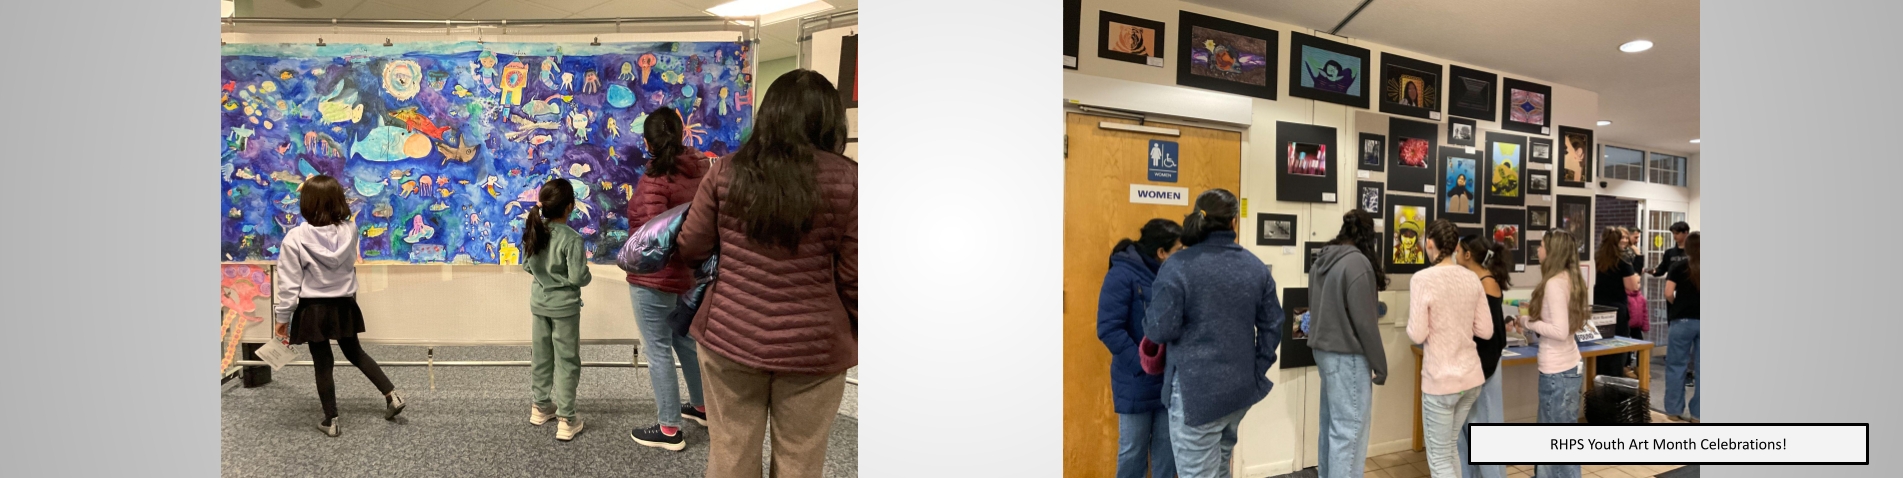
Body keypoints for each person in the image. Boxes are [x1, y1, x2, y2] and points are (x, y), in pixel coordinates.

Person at [677, 69, 857, 478]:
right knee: (800, 461)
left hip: (730, 335)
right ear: (830, 120)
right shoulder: (851, 179)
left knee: (731, 454)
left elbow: (691, 245)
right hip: (814, 347)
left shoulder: (725, 170)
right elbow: (856, 277)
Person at [1143, 188, 1281, 478]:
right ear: (1234, 222)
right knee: (1219, 469)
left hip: (1196, 396)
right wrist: (1257, 370)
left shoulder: (1177, 266)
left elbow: (1160, 329)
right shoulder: (1255, 267)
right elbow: (1273, 324)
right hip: (1238, 393)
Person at [273, 175, 405, 437]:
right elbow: (334, 208)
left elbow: (288, 284)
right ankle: (392, 395)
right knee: (355, 352)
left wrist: (282, 318)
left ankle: (331, 420)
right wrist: (319, 188)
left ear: (305, 202)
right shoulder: (350, 231)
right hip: (344, 304)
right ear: (339, 200)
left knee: (323, 362)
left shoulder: (295, 238)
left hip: (313, 309)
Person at [622, 106, 712, 451]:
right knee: (684, 341)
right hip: (688, 276)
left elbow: (650, 241)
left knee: (657, 348)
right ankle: (702, 407)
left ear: (648, 143)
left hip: (655, 279)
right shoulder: (701, 170)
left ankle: (669, 429)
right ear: (681, 134)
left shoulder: (655, 179)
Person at [1406, 219, 1494, 478]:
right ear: (1456, 246)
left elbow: (1417, 333)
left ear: (1429, 243)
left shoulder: (1422, 279)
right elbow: (1485, 331)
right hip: (1470, 379)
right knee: (1450, 451)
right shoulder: (1472, 278)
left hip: (1441, 383)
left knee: (1440, 460)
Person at [1097, 219, 1184, 478]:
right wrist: (1142, 364)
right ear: (1161, 252)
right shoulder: (1122, 274)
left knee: (1167, 455)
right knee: (1133, 454)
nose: (1183, 255)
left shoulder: (1174, 276)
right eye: (1178, 250)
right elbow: (1108, 329)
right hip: (1135, 381)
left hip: (1168, 381)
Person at [1307, 210, 1389, 478]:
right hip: (1348, 357)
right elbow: (1366, 323)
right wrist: (1380, 364)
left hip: (1324, 353)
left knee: (1331, 428)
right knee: (1350, 434)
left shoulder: (1322, 260)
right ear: (1369, 236)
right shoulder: (1357, 264)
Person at [1511, 229, 1588, 478]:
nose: (1539, 250)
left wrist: (1528, 322)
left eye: (1542, 246)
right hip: (1567, 368)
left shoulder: (1555, 283)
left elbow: (1559, 330)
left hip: (1558, 373)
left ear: (1552, 251)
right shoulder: (1569, 279)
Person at [522, 178, 592, 441]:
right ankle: (567, 418)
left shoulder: (535, 231)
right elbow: (577, 277)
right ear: (570, 207)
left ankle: (540, 406)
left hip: (539, 305)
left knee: (541, 355)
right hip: (565, 309)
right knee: (567, 361)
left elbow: (527, 266)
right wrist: (587, 277)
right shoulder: (572, 239)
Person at [1454, 233, 1511, 478]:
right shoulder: (1476, 280)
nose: (1454, 255)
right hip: (1477, 367)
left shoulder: (1484, 283)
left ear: (1468, 255)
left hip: (1484, 368)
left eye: (1458, 251)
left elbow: (1487, 335)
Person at [1592, 227, 1640, 379]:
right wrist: (1637, 278)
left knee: (1596, 347)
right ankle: (1614, 381)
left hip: (1596, 309)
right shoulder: (1622, 259)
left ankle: (1595, 381)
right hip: (1616, 310)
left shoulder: (1594, 257)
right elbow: (1632, 286)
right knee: (1616, 348)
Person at [1663, 232, 1701, 423]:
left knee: (1676, 366)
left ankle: (1673, 410)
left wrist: (1679, 304)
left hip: (1682, 321)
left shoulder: (1678, 266)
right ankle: (1699, 415)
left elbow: (1668, 293)